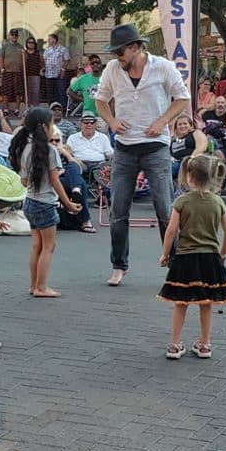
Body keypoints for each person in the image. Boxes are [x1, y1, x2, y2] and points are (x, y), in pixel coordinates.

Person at [94, 23, 190, 286]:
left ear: (135, 47)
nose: (117, 57)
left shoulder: (163, 67)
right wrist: (112, 122)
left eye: (120, 51)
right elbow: (100, 101)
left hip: (155, 146)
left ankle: (175, 264)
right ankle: (118, 265)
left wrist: (163, 121)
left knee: (164, 208)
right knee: (118, 210)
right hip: (125, 147)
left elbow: (182, 98)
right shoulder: (113, 70)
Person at [157, 154, 226, 360]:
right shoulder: (217, 201)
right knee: (206, 301)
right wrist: (224, 252)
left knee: (180, 302)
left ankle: (174, 345)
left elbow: (171, 230)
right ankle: (205, 344)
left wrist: (165, 253)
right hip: (210, 258)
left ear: (189, 176)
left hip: (185, 257)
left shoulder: (181, 201)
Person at [9, 106, 82, 297]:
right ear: (44, 126)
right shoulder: (50, 151)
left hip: (30, 202)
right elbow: (55, 180)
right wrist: (68, 204)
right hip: (45, 203)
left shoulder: (25, 148)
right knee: (49, 246)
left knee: (37, 246)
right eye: (51, 124)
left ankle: (33, 285)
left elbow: (23, 181)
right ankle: (41, 287)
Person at [49, 125, 96, 233]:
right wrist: (61, 171)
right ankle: (86, 221)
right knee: (81, 182)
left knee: (73, 166)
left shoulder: (64, 151)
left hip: (68, 179)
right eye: (52, 140)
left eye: (57, 140)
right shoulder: (44, 153)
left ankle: (76, 190)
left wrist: (64, 152)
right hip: (54, 179)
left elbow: (80, 167)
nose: (54, 143)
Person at [65, 111, 113, 179]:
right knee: (73, 166)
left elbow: (109, 154)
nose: (89, 124)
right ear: (80, 124)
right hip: (80, 163)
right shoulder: (72, 138)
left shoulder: (103, 137)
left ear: (95, 124)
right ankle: (77, 188)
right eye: (86, 122)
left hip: (98, 164)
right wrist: (75, 160)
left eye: (92, 122)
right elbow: (68, 154)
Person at [42, 33, 70, 106]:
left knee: (61, 91)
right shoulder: (47, 50)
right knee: (50, 92)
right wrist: (43, 68)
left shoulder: (62, 49)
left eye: (50, 39)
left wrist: (63, 70)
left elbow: (67, 60)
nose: (48, 40)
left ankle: (63, 108)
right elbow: (43, 60)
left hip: (59, 74)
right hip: (49, 74)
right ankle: (51, 107)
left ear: (54, 39)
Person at [23, 36, 44, 107]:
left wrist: (40, 69)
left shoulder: (38, 53)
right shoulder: (24, 53)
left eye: (32, 42)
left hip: (36, 75)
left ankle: (36, 107)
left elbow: (42, 63)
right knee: (27, 91)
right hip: (26, 75)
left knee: (36, 92)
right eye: (29, 42)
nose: (31, 44)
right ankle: (28, 107)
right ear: (27, 44)